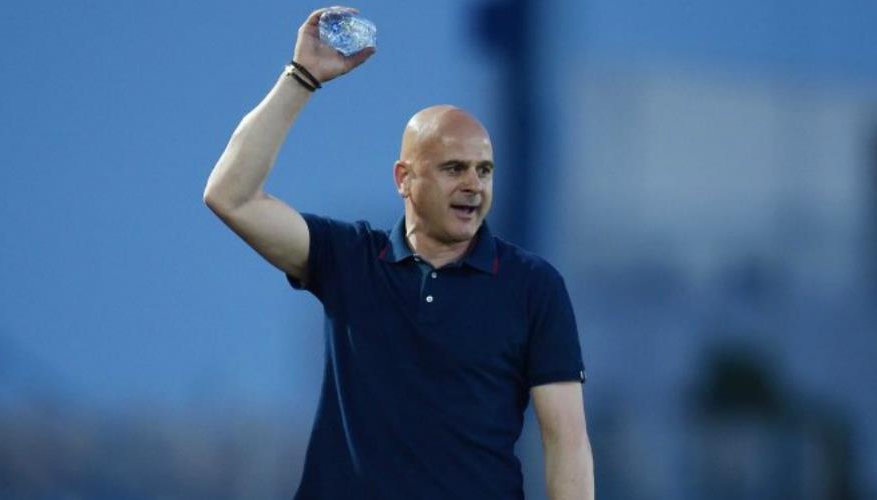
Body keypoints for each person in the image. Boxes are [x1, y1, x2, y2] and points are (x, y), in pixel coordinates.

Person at [203, 7, 593, 499]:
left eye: (484, 170)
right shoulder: (349, 259)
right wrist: (300, 77)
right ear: (404, 179)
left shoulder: (533, 285)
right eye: (454, 168)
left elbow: (567, 443)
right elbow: (231, 196)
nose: (473, 185)